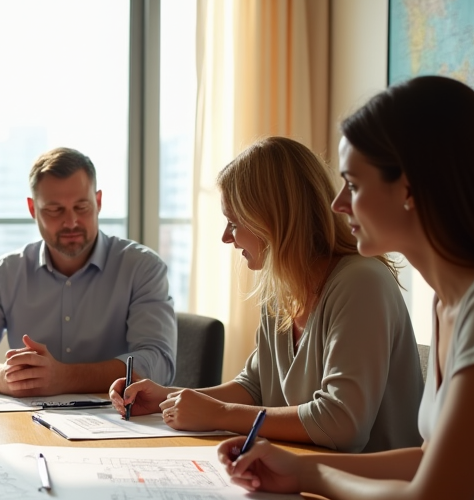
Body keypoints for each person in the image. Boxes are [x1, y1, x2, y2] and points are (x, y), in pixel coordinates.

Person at [219, 76, 474, 500]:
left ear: (410, 188)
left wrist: (315, 476)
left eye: (352, 184)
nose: (336, 204)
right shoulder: (451, 303)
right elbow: (430, 460)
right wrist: (294, 465)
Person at [111, 137, 423, 453]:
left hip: (371, 492)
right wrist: (165, 396)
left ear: (273, 219)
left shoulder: (361, 282)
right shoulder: (280, 290)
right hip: (304, 478)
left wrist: (219, 415)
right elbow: (254, 387)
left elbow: (341, 424)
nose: (225, 237)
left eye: (234, 221)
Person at [0, 147, 176, 397]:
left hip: (118, 422)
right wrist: (1, 377)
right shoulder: (6, 274)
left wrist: (64, 378)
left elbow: (158, 364)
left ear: (98, 202)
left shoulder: (142, 268)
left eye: (82, 207)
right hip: (28, 424)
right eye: (54, 210)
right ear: (32, 210)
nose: (71, 222)